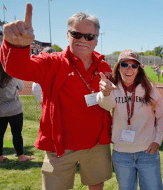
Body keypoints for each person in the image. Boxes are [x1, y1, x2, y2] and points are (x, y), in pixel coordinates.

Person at [1, 3, 112, 190]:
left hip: (96, 145)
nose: (82, 40)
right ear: (68, 35)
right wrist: (15, 46)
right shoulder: (51, 62)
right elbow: (17, 68)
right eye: (76, 34)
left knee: (96, 184)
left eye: (89, 36)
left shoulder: (104, 67)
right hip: (60, 148)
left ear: (96, 39)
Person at [97, 49, 163, 190]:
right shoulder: (112, 87)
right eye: (125, 64)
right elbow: (106, 105)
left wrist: (157, 140)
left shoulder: (149, 89)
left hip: (147, 152)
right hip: (122, 154)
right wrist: (105, 93)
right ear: (118, 67)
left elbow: (161, 115)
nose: (129, 69)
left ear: (139, 69)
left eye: (134, 65)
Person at [0, 63, 35, 163]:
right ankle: (21, 156)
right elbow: (22, 88)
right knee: (17, 133)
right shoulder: (13, 77)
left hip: (1, 110)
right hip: (15, 109)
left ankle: (0, 156)